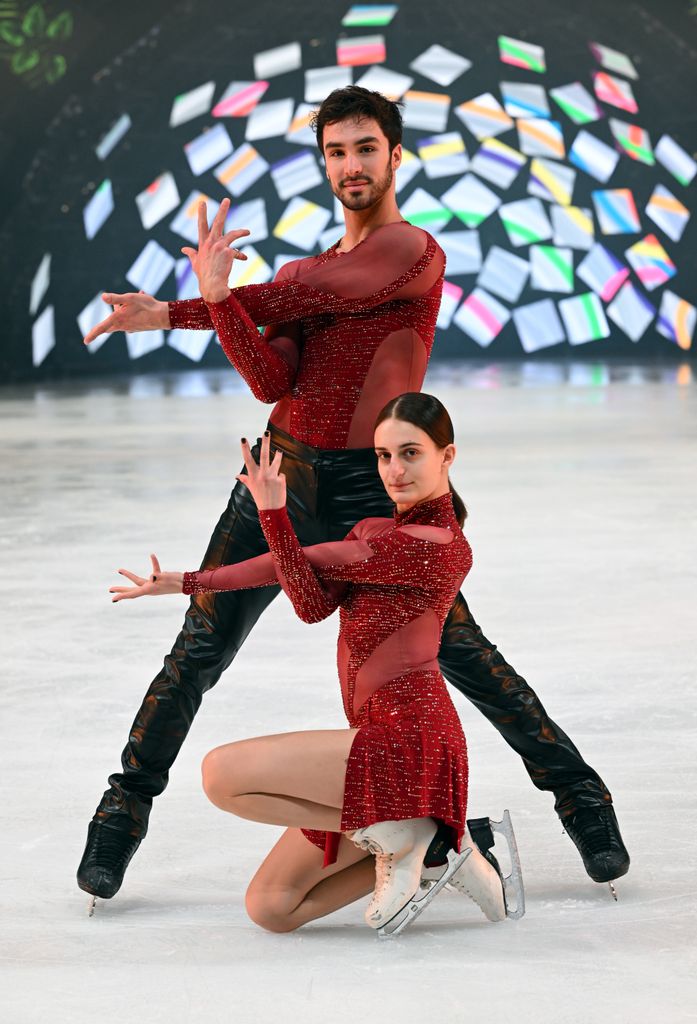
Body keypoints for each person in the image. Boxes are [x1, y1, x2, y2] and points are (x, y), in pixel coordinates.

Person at [78, 86, 628, 904]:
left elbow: (314, 297)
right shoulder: (302, 272)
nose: (350, 165)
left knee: (462, 652)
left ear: (394, 155)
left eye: (365, 147)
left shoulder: (409, 252)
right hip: (279, 477)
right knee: (198, 649)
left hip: (377, 490)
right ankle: (120, 814)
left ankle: (580, 798)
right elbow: (270, 377)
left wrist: (177, 312)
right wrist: (218, 306)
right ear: (324, 163)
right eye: (336, 151)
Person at [109, 394, 519, 934]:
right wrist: (273, 521)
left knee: (220, 775)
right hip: (378, 737)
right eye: (383, 456)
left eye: (410, 453)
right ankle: (437, 845)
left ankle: (411, 831)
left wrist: (195, 577)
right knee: (272, 907)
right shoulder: (374, 530)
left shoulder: (434, 544)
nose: (394, 470)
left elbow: (295, 562)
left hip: (409, 742)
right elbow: (309, 603)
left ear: (447, 456)